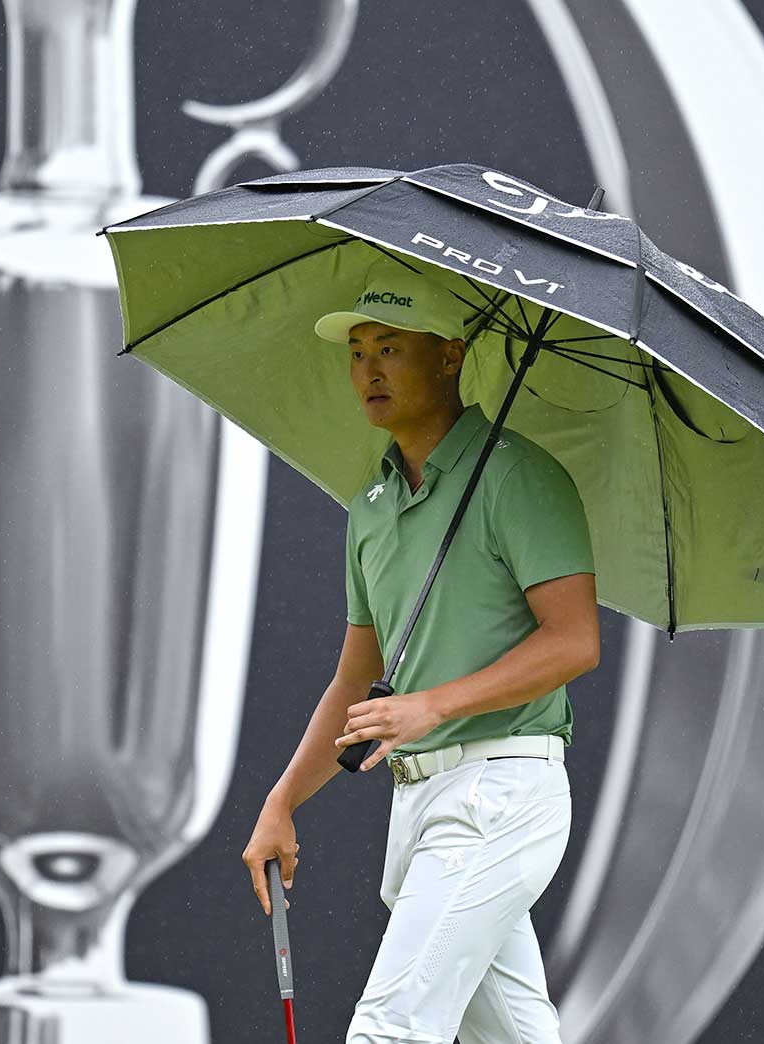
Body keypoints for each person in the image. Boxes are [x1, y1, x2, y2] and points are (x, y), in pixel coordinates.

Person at [241, 259, 600, 1044]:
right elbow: (355, 679)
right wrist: (282, 802)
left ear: (450, 354)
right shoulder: (368, 509)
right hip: (419, 803)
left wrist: (431, 704)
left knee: (391, 1029)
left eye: (391, 347)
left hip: (503, 790)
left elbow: (574, 641)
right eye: (358, 350)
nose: (368, 368)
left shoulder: (520, 477)